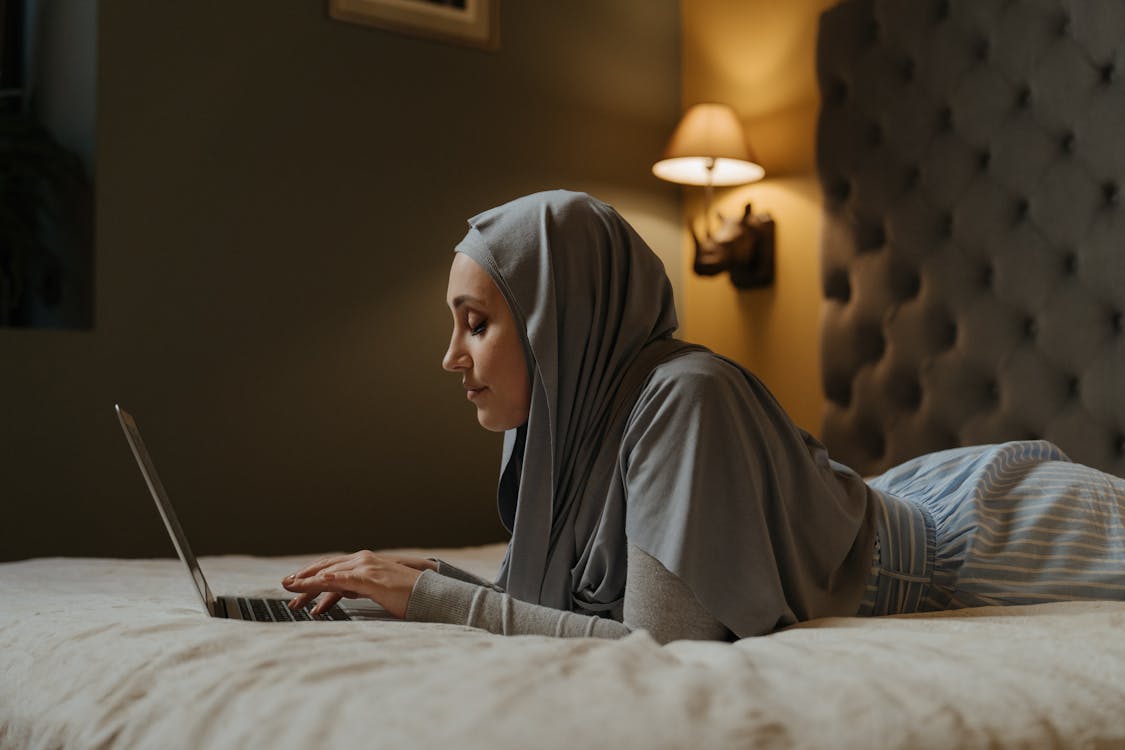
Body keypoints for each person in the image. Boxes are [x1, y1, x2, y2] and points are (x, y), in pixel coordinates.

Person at [282, 190, 1125, 643]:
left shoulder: (685, 396)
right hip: (908, 495)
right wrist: (407, 576)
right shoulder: (574, 426)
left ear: (557, 323)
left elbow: (658, 642)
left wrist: (431, 599)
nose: (450, 357)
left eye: (476, 322)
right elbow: (562, 600)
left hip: (1005, 534)